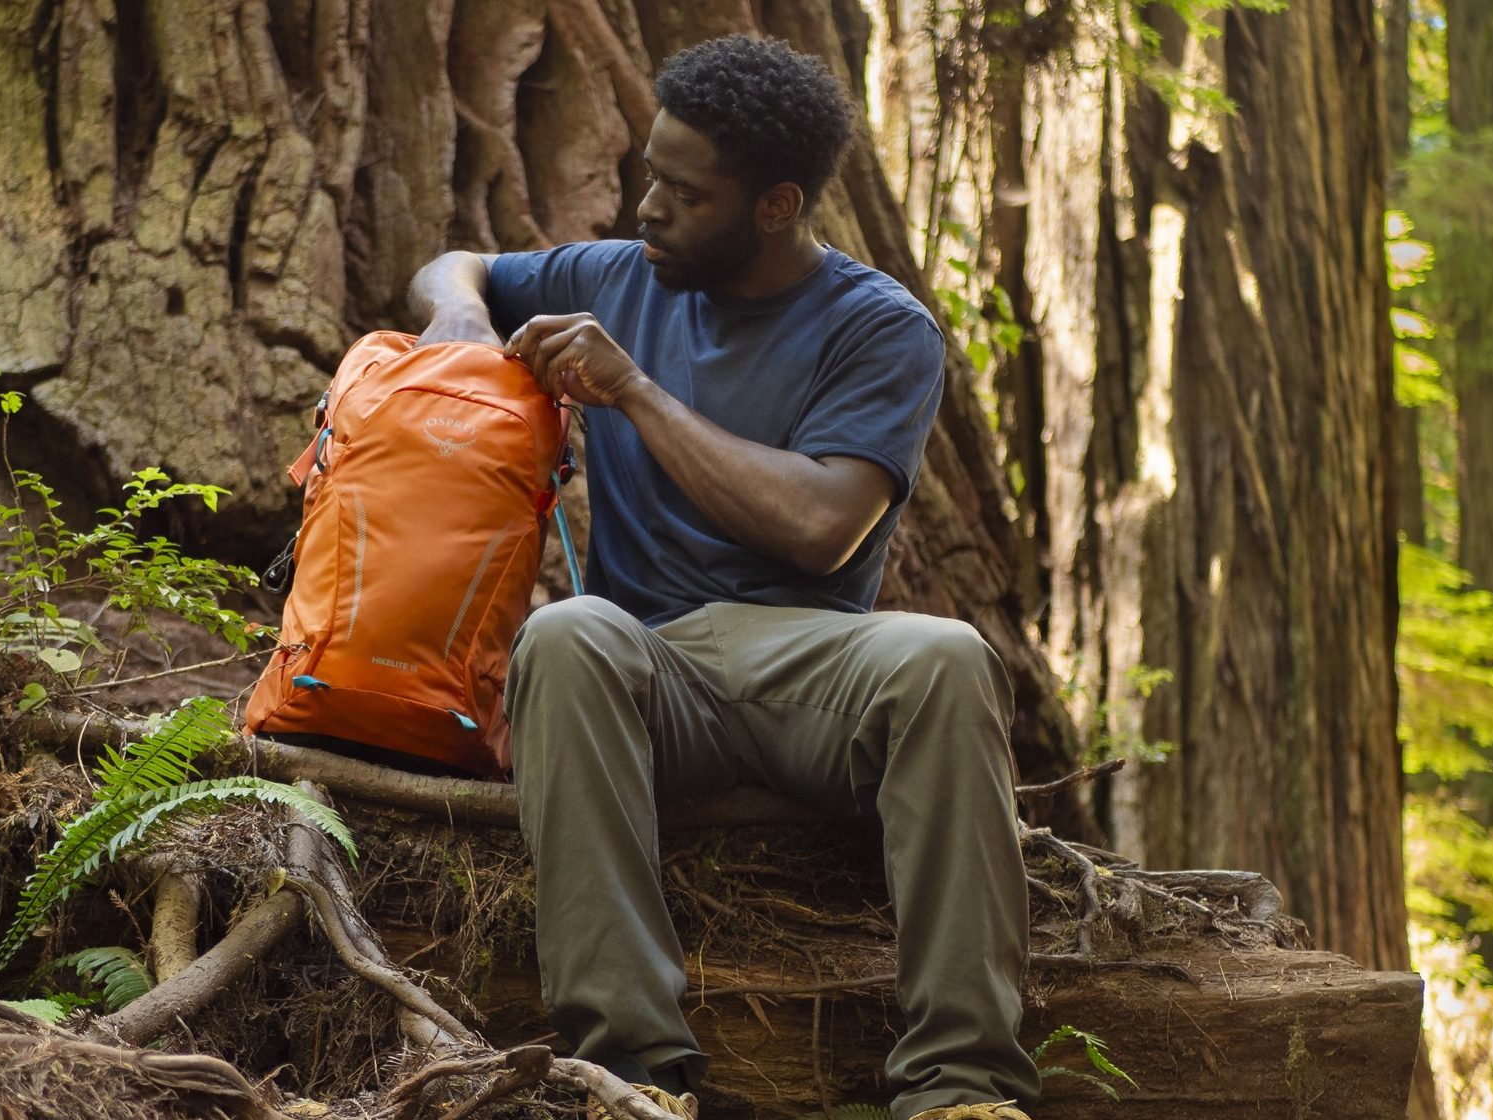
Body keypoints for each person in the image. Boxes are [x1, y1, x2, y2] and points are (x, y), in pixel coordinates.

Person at [407, 33, 1037, 1120]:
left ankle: (960, 1085)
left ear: (776, 205)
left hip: (816, 673)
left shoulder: (880, 327)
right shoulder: (617, 271)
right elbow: (454, 263)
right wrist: (461, 311)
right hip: (653, 674)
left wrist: (638, 393)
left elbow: (820, 527)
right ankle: (632, 1075)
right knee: (565, 634)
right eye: (651, 172)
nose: (646, 205)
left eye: (682, 191)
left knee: (944, 654)